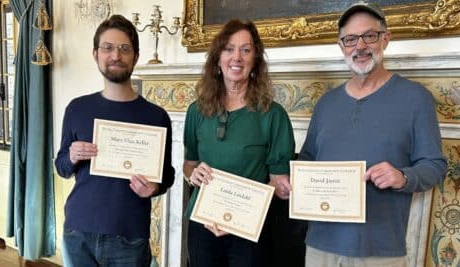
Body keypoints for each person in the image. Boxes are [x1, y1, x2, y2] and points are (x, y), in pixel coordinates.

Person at [298, 1, 447, 267]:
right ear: (341, 46)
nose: (360, 46)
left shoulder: (415, 98)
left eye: (369, 36)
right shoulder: (325, 103)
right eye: (350, 39)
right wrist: (293, 183)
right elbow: (307, 161)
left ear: (385, 39)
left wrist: (402, 176)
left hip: (380, 249)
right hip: (320, 245)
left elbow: (434, 165)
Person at [55, 14, 175, 267]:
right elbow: (61, 166)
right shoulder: (77, 108)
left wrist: (155, 188)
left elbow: (167, 175)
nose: (116, 55)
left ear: (136, 56)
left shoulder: (156, 116)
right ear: (95, 54)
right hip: (79, 232)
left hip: (129, 234)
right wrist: (73, 155)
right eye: (107, 48)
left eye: (124, 49)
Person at [182, 19, 296, 267]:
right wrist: (193, 174)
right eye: (229, 49)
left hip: (249, 230)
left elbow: (277, 180)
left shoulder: (273, 115)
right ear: (217, 59)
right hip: (202, 224)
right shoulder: (196, 111)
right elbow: (189, 164)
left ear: (255, 60)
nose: (237, 57)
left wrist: (284, 188)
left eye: (246, 50)